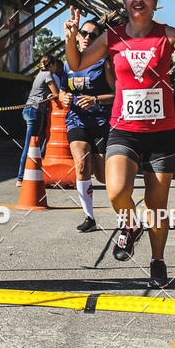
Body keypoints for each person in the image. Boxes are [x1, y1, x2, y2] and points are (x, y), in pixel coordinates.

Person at [64, 0, 175, 288]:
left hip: (161, 134)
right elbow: (76, 63)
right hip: (124, 129)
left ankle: (157, 260)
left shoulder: (167, 35)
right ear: (124, 1)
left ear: (154, 2)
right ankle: (131, 226)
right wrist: (71, 35)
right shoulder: (112, 37)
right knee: (117, 192)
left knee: (157, 208)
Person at [59, 19, 115, 233]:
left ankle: (127, 214)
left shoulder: (105, 62)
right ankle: (89, 217)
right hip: (77, 120)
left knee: (103, 176)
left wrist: (96, 100)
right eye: (84, 33)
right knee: (81, 165)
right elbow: (64, 90)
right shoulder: (69, 62)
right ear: (78, 35)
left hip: (101, 122)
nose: (87, 38)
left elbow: (117, 94)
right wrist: (63, 97)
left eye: (93, 35)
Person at [17, 54, 59, 186]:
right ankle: (21, 177)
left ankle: (33, 170)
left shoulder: (39, 75)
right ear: (51, 65)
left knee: (39, 142)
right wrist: (54, 95)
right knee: (30, 146)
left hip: (29, 110)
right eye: (55, 65)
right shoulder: (47, 75)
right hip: (35, 111)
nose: (56, 67)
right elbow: (57, 93)